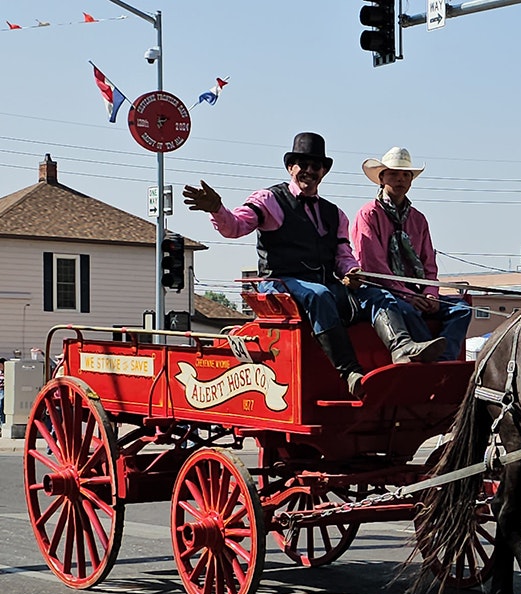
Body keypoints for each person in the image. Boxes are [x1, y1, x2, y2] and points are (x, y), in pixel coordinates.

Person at [181, 132, 443, 397]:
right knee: (320, 295)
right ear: (290, 167)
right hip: (280, 284)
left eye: (316, 166)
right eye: (302, 164)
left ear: (323, 172)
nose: (309, 170)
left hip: (322, 285)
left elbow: (343, 254)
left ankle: (402, 347)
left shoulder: (334, 213)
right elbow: (236, 226)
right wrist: (217, 209)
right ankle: (350, 371)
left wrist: (352, 272)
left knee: (377, 294)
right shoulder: (270, 199)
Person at [350, 147, 471, 361]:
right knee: (405, 310)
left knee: (460, 308)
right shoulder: (368, 215)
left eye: (406, 175)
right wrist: (408, 295)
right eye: (394, 174)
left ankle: (445, 360)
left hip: (417, 292)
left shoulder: (418, 219)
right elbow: (374, 267)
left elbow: (429, 265)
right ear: (381, 178)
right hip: (382, 292)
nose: (400, 179)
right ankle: (431, 361)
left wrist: (430, 292)